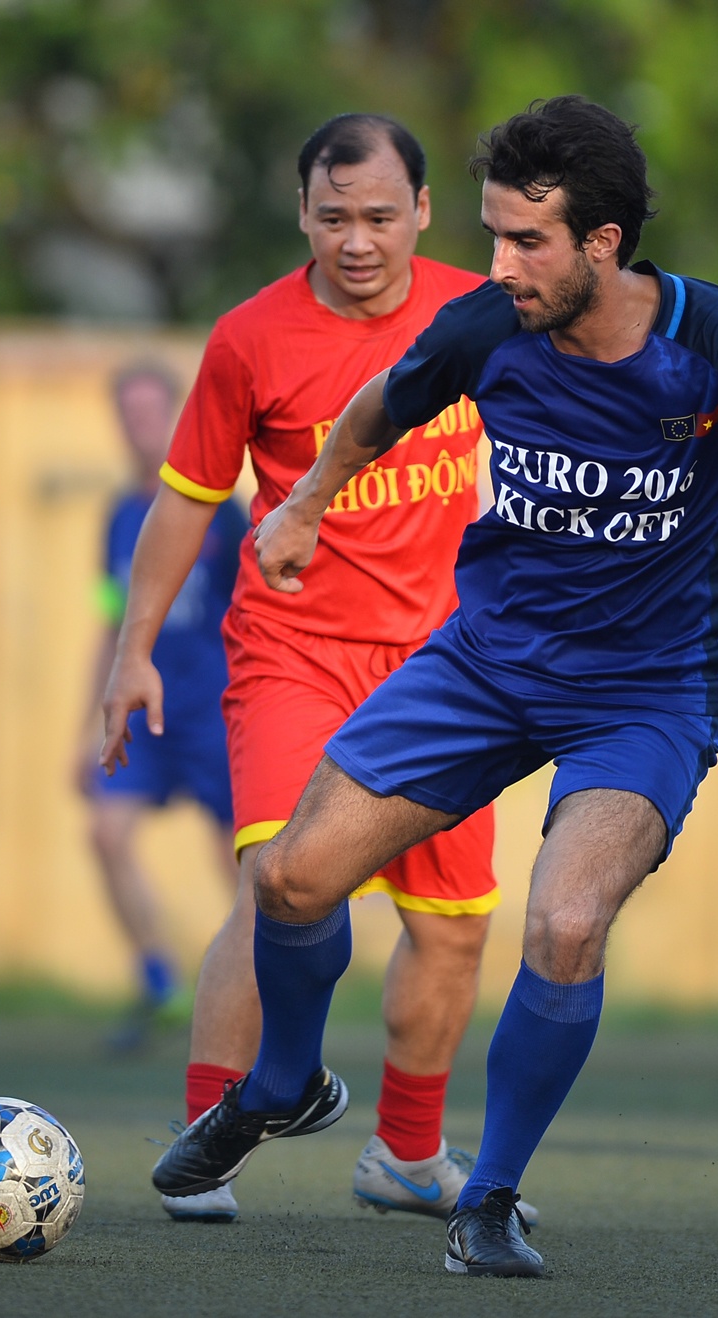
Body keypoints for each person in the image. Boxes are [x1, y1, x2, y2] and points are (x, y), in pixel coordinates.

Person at [150, 96, 718, 1279]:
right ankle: (283, 1081)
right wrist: (305, 498)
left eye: (526, 241)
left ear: (603, 242)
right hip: (487, 664)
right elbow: (385, 403)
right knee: (290, 875)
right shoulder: (490, 327)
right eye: (490, 234)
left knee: (567, 918)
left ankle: (489, 1196)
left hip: (647, 697)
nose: (497, 266)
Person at [102, 113, 507, 1226]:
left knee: (456, 924)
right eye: (335, 218)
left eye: (381, 216)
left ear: (424, 212)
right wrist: (131, 651)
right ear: (302, 216)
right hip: (293, 648)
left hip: (449, 668)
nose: (359, 240)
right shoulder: (249, 338)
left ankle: (405, 1155)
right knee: (278, 876)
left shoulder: (484, 315)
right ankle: (214, 1131)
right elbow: (187, 496)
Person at [83, 359, 242, 1052]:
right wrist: (85, 721)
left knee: (239, 860)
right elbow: (108, 618)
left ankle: (255, 997)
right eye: (130, 413)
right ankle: (159, 981)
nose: (141, 426)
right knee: (105, 833)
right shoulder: (118, 515)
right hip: (140, 708)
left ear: (176, 416)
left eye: (153, 412)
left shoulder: (222, 511)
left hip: (212, 706)